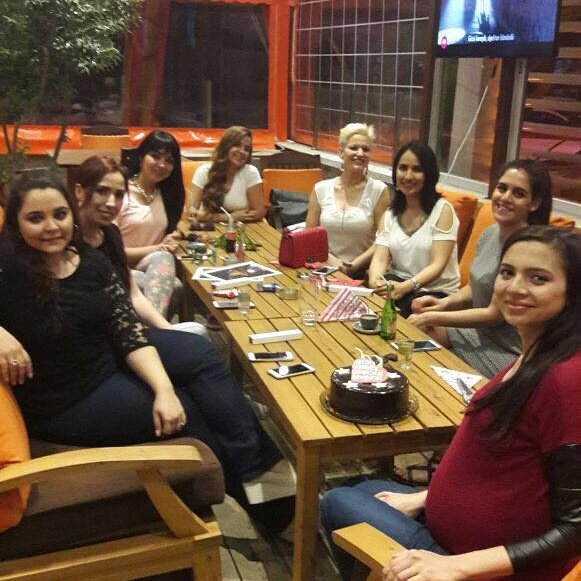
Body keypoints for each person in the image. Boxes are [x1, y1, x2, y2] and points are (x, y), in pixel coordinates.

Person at [0, 173, 295, 531]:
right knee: (190, 411)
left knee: (198, 352)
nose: (51, 227)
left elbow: (126, 329)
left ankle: (261, 476)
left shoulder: (89, 262)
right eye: (35, 218)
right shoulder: (8, 268)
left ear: (71, 214)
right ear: (16, 224)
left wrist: (163, 388)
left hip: (106, 358)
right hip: (67, 399)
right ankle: (274, 511)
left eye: (59, 214)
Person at [321, 225, 581, 581]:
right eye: (507, 272)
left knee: (337, 501)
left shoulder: (567, 379)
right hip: (451, 530)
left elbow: (575, 527)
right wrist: (425, 499)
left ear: (573, 292)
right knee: (361, 488)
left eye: (538, 278)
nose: (515, 287)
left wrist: (455, 566)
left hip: (474, 563)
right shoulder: (536, 354)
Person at [408, 159, 553, 377]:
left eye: (518, 193)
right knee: (416, 336)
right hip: (478, 333)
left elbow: (494, 314)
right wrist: (442, 303)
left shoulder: (529, 249)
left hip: (508, 348)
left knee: (426, 331)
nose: (505, 197)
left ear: (534, 204)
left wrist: (433, 317)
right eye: (502, 188)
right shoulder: (490, 233)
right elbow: (476, 285)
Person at [75, 155, 206, 335]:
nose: (111, 203)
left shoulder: (110, 234)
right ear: (80, 192)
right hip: (97, 332)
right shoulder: (66, 238)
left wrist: (167, 334)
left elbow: (133, 293)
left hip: (129, 327)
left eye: (119, 195)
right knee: (175, 287)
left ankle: (154, 335)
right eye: (102, 191)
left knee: (197, 332)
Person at [368, 140, 460, 317]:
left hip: (435, 293)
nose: (408, 176)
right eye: (403, 168)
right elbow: (379, 259)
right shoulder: (390, 215)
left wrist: (405, 287)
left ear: (429, 175)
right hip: (398, 287)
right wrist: (376, 282)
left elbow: (438, 265)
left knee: (400, 313)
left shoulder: (442, 210)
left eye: (417, 169)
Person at [115, 130, 185, 317]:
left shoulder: (167, 196)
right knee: (174, 283)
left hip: (149, 266)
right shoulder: (120, 193)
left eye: (169, 160)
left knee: (166, 265)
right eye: (155, 156)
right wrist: (159, 248)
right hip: (116, 267)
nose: (161, 165)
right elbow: (112, 251)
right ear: (140, 158)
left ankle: (152, 329)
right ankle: (158, 329)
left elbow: (164, 237)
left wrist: (169, 241)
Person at [305, 123, 389, 278]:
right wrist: (332, 262)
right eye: (354, 148)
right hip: (323, 269)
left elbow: (384, 240)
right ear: (341, 152)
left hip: (362, 273)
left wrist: (354, 265)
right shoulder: (320, 189)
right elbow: (309, 237)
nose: (360, 153)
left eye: (366, 149)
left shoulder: (379, 190)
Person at [190, 126, 266, 223]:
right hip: (208, 228)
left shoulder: (251, 172)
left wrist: (207, 217)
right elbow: (192, 213)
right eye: (237, 146)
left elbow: (259, 213)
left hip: (240, 228)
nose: (242, 152)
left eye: (247, 149)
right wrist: (230, 217)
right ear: (226, 147)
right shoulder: (203, 172)